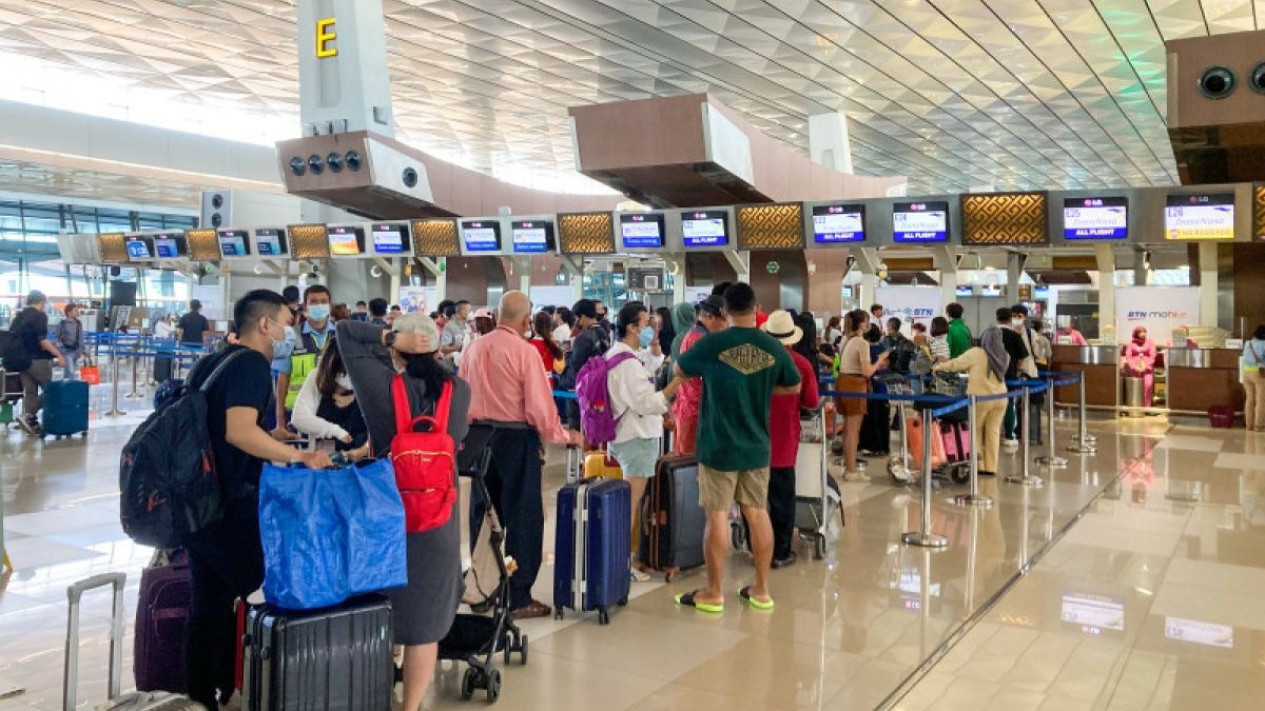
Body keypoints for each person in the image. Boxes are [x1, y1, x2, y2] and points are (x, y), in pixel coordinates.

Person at [183, 290, 332, 711]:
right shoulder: (251, 363)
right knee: (261, 592)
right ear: (265, 324)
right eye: (286, 320)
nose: (290, 329)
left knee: (207, 601)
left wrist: (270, 437)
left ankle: (202, 693)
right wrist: (298, 456)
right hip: (232, 504)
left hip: (198, 501)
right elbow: (238, 431)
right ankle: (258, 687)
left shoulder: (213, 360)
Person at [336, 313, 467, 711]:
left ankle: (373, 695)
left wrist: (388, 335)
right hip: (438, 519)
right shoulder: (459, 390)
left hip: (384, 516)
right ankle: (409, 708)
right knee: (424, 625)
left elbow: (345, 332)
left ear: (397, 347)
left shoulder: (380, 388)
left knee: (378, 612)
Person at [672, 283, 801, 614]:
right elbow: (795, 385)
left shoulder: (712, 343)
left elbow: (680, 370)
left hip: (718, 445)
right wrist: (759, 388)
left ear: (725, 311)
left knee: (716, 516)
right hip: (757, 445)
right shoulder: (772, 346)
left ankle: (713, 593)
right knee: (757, 513)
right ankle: (761, 589)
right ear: (756, 306)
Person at [462, 291, 574, 619]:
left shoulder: (473, 348)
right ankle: (519, 595)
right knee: (523, 518)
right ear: (526, 320)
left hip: (479, 439)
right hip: (515, 439)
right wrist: (563, 435)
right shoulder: (524, 352)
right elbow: (540, 406)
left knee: (484, 517)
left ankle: (483, 589)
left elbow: (461, 395)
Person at [604, 302, 683, 579]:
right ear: (632, 327)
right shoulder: (626, 363)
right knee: (631, 503)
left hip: (629, 435)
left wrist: (656, 340)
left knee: (632, 501)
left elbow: (648, 363)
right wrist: (677, 382)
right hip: (636, 437)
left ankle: (626, 558)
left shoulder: (620, 354)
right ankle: (622, 564)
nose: (650, 327)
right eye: (646, 323)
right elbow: (647, 401)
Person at [761, 310, 820, 569]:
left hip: (754, 440)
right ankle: (780, 552)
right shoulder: (802, 365)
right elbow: (811, 401)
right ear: (793, 338)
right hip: (784, 441)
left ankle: (757, 548)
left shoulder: (755, 362)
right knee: (782, 499)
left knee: (754, 500)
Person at [933, 326, 1009, 476]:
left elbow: (956, 364)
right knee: (993, 432)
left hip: (980, 398)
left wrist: (939, 366)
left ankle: (978, 465)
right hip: (1000, 397)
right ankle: (991, 467)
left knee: (976, 430)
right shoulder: (1004, 355)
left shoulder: (976, 353)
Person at [289, 341, 371, 461]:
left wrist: (363, 450)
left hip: (363, 464)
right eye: (342, 372)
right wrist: (335, 431)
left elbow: (382, 428)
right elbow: (299, 417)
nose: (346, 378)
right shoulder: (317, 377)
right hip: (325, 464)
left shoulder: (368, 383)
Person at [274, 285, 336, 441]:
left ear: (330, 305)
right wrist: (280, 418)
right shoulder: (290, 336)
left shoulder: (340, 336)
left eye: (323, 301)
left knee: (333, 461)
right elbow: (283, 379)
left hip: (333, 410)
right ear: (304, 306)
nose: (319, 305)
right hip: (297, 412)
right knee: (298, 461)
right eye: (313, 302)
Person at [835, 310, 890, 482]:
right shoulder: (861, 343)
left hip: (842, 384)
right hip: (855, 386)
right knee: (853, 431)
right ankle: (851, 471)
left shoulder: (846, 340)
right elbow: (866, 372)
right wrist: (879, 361)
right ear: (861, 324)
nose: (868, 325)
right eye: (866, 322)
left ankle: (848, 467)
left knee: (847, 429)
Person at [671, 296, 726, 455]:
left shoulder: (695, 335)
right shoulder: (699, 340)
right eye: (723, 321)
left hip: (691, 410)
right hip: (695, 412)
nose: (726, 325)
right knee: (691, 467)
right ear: (709, 317)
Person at [11, 291, 65, 436]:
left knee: (30, 392)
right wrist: (58, 354)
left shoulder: (18, 317)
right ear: (41, 302)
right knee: (51, 391)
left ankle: (30, 424)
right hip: (38, 360)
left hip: (21, 360)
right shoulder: (39, 316)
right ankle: (28, 415)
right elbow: (42, 340)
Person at [561, 299, 610, 433]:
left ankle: (576, 446)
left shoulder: (583, 337)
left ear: (581, 317)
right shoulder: (603, 333)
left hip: (582, 386)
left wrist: (567, 354)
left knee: (576, 419)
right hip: (598, 385)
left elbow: (576, 363)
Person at [990, 307, 1030, 451]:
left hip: (991, 375)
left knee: (989, 405)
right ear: (1009, 319)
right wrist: (1016, 369)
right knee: (1009, 405)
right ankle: (1009, 435)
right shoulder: (1015, 336)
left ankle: (991, 434)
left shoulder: (988, 335)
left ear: (996, 317)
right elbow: (1022, 358)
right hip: (1010, 376)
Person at [1122, 326, 1158, 408]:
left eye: (1144, 332)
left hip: (1147, 368)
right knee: (1136, 387)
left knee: (1147, 385)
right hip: (1135, 369)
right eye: (1141, 332)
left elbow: (1153, 355)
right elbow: (1128, 356)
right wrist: (1134, 367)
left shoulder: (1150, 342)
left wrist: (1147, 365)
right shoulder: (1131, 343)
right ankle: (1136, 407)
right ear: (1136, 334)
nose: (1143, 334)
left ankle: (1146, 407)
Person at [1242, 325, 1265, 432]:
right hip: (1258, 373)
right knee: (1260, 400)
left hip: (1246, 372)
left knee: (1249, 399)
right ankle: (1259, 426)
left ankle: (1249, 425)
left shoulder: (1248, 343)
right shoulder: (1263, 344)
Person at [57, 303, 84, 380]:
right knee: (70, 372)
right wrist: (59, 347)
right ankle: (70, 388)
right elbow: (57, 336)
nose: (77, 312)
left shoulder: (78, 323)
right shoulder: (62, 324)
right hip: (66, 351)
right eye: (75, 310)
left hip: (76, 350)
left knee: (73, 372)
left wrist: (82, 349)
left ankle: (70, 388)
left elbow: (80, 336)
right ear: (69, 313)